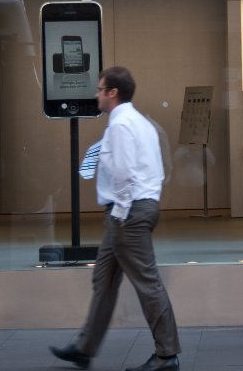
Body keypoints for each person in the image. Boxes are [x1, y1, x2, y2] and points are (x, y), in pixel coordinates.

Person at [50, 66, 181, 371]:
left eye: (100, 89)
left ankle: (167, 355)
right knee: (104, 280)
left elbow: (123, 174)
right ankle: (84, 348)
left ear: (113, 93)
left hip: (127, 213)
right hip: (133, 210)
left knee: (148, 284)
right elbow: (156, 169)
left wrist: (120, 214)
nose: (96, 94)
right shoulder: (141, 122)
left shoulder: (121, 125)